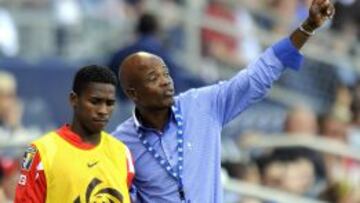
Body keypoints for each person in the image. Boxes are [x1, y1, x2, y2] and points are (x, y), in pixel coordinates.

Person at [112, 0, 335, 202]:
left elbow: (256, 76)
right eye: (153, 78)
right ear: (133, 93)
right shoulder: (119, 144)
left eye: (166, 74)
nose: (166, 82)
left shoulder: (201, 104)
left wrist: (307, 27)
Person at [14, 65, 135, 203]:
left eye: (110, 103)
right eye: (95, 102)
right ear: (74, 99)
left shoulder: (121, 152)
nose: (103, 110)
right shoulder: (42, 151)